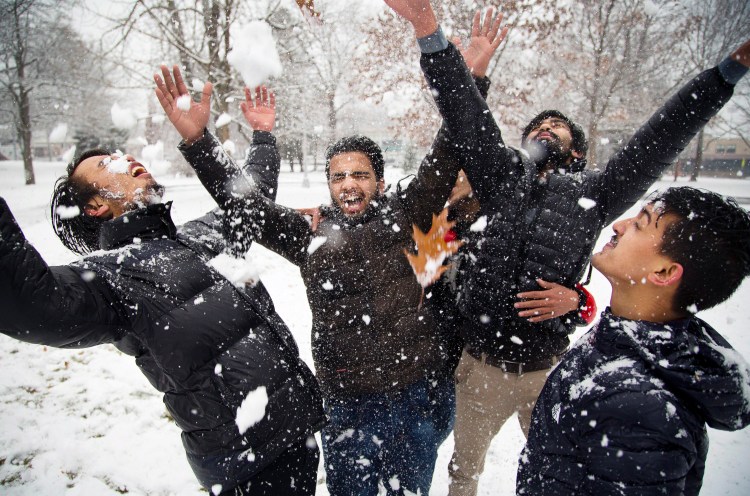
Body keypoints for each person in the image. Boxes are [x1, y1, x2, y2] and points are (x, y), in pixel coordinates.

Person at [158, 2, 507, 491]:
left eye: (360, 174)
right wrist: (199, 144)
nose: (349, 184)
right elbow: (247, 208)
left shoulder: (412, 213)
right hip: (347, 402)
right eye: (339, 176)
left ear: (380, 181)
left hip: (415, 396)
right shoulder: (309, 236)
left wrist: (470, 76)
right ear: (327, 183)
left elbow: (453, 143)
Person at [441, 20, 750, 493]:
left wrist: (724, 75)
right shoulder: (500, 181)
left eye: (556, 127)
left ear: (576, 153)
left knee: (557, 469)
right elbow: (465, 122)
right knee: (464, 472)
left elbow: (659, 138)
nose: (545, 129)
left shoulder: (595, 194)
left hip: (545, 368)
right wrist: (464, 68)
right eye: (537, 127)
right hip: (481, 367)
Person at [0, 74, 324, 496]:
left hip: (298, 433)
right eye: (104, 165)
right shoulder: (108, 278)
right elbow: (29, 302)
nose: (124, 157)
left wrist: (261, 135)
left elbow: (251, 200)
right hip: (247, 468)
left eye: (118, 152)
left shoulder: (198, 236)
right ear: (96, 206)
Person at [517, 186, 750, 494]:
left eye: (639, 224)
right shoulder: (624, 338)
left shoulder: (641, 408)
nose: (618, 225)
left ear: (664, 272)